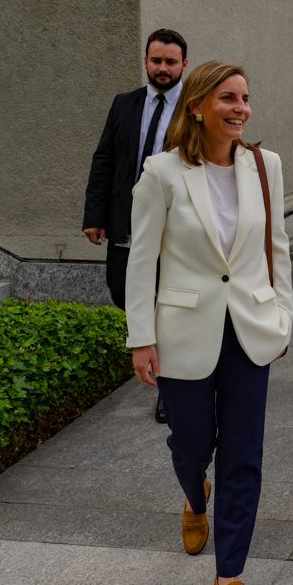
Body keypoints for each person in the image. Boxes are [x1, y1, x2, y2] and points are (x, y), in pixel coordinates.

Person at [126, 61, 293, 585]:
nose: (241, 108)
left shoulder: (265, 166)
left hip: (250, 328)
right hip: (182, 330)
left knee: (243, 454)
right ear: (197, 105)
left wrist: (284, 318)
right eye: (228, 98)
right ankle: (195, 497)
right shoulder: (161, 172)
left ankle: (231, 574)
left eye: (245, 98)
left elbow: (278, 250)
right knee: (192, 444)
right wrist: (140, 336)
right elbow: (141, 260)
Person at [84, 28, 189, 424]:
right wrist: (94, 215)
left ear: (183, 65)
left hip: (173, 226)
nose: (162, 68)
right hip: (125, 220)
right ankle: (154, 354)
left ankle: (169, 386)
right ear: (146, 61)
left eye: (170, 62)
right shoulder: (124, 103)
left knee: (165, 300)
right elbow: (104, 160)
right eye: (156, 60)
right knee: (122, 289)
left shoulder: (193, 107)